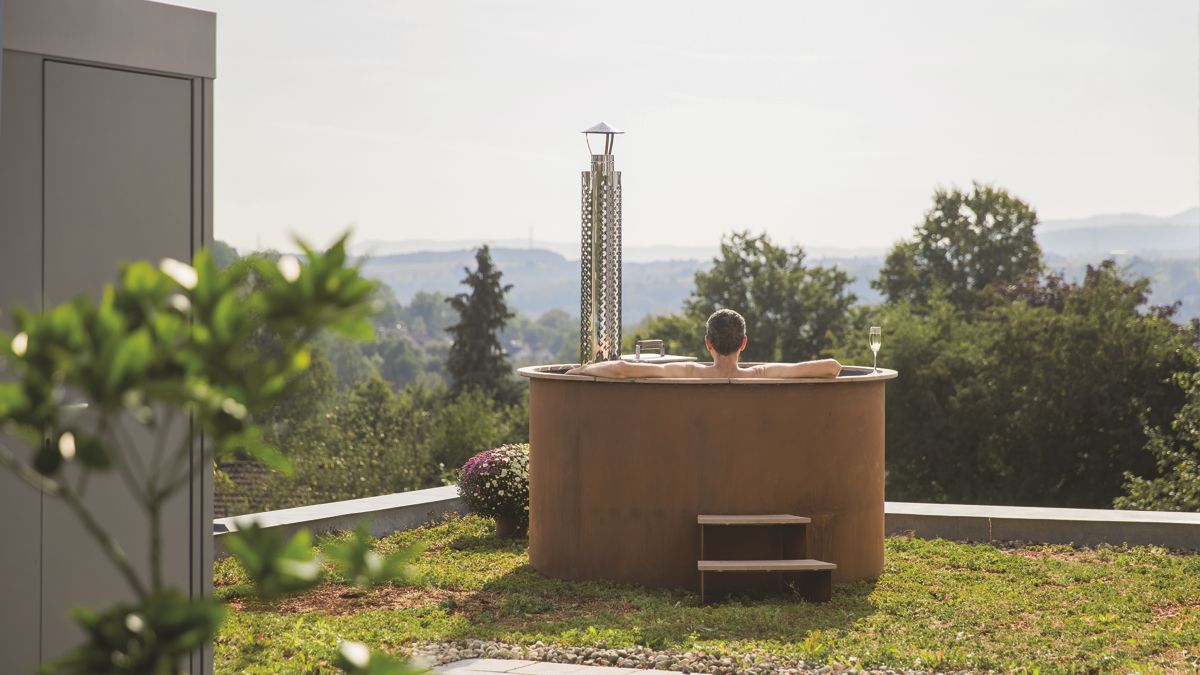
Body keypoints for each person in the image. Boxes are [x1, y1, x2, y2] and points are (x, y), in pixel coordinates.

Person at [566, 308, 841, 379]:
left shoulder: (689, 373)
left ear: (707, 342)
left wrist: (584, 370)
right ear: (744, 343)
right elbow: (832, 367)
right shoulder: (761, 374)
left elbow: (623, 369)